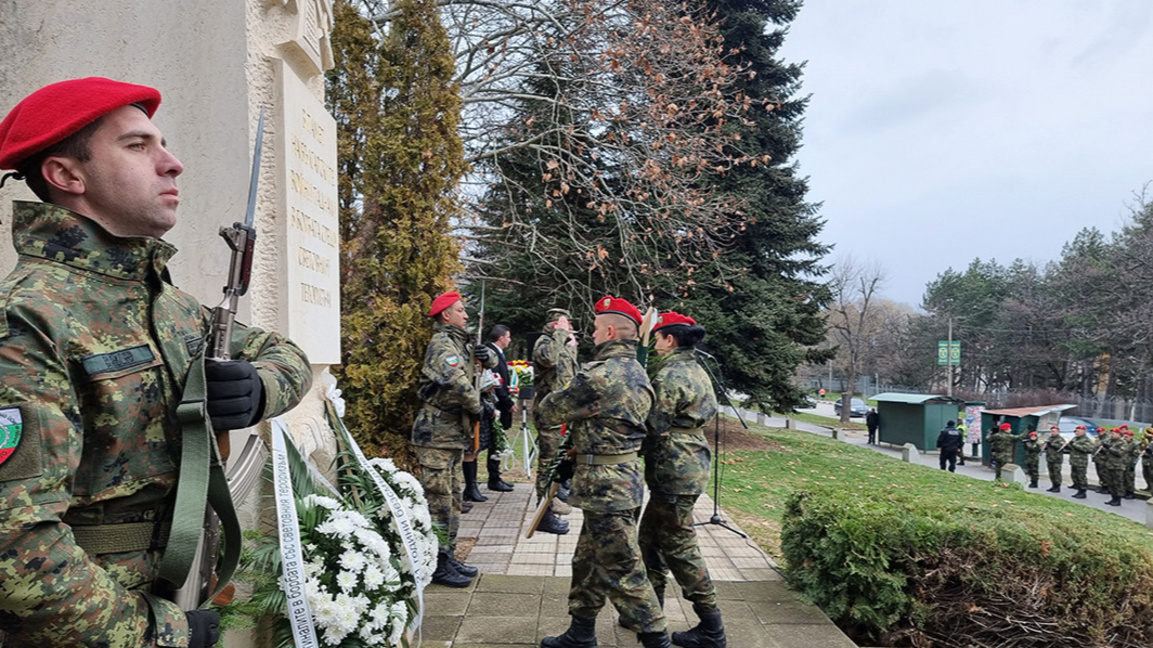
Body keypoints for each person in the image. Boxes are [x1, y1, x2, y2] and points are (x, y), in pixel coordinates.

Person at [0, 78, 313, 648]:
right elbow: (13, 543)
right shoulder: (25, 320)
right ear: (67, 175)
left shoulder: (167, 306)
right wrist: (158, 635)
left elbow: (283, 352)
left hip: (176, 590)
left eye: (162, 143)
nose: (173, 164)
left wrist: (260, 387)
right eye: (138, 146)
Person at [536, 296, 671, 648]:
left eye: (596, 328)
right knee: (588, 561)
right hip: (621, 482)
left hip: (606, 488)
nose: (592, 334)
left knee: (624, 569)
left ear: (610, 331)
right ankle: (580, 633)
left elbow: (548, 412)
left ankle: (658, 639)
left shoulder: (601, 376)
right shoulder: (638, 371)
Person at [636, 312, 726, 648]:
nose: (655, 345)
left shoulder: (670, 374)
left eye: (657, 339)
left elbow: (654, 425)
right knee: (648, 540)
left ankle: (712, 627)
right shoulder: (696, 368)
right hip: (689, 463)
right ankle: (649, 614)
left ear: (669, 339)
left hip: (674, 469)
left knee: (680, 546)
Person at [411, 291, 497, 587]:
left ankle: (447, 556)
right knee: (438, 501)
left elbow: (487, 363)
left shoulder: (461, 342)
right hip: (436, 433)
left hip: (451, 435)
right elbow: (457, 382)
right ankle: (436, 563)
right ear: (445, 314)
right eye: (460, 310)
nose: (466, 315)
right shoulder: (442, 344)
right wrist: (479, 406)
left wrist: (490, 357)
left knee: (454, 499)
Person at [530, 307, 580, 535]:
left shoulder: (561, 344)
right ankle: (543, 514)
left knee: (557, 462)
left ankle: (554, 501)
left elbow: (569, 375)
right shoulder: (544, 342)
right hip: (549, 414)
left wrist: (571, 348)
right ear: (554, 325)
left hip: (563, 414)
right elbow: (549, 359)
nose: (569, 327)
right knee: (547, 466)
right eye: (565, 323)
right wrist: (561, 335)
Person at [484, 323, 516, 492]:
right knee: (495, 441)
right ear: (501, 338)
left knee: (497, 441)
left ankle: (496, 476)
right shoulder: (491, 354)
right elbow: (496, 382)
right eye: (508, 337)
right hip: (496, 405)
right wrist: (508, 402)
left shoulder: (498, 353)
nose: (510, 340)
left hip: (500, 403)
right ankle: (493, 478)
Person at [1065, 424, 1095, 498]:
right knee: (1075, 475)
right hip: (1074, 460)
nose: (1076, 433)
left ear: (1083, 431)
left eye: (1078, 431)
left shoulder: (1086, 440)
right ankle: (1077, 487)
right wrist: (1068, 445)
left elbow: (1087, 449)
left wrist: (1075, 445)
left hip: (1081, 461)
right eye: (1076, 431)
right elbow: (1071, 448)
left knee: (1081, 477)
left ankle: (1082, 491)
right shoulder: (1075, 438)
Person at [1104, 428, 1127, 506]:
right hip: (1110, 465)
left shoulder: (1122, 443)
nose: (1112, 435)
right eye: (1111, 434)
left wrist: (1110, 448)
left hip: (1118, 466)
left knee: (1118, 483)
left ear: (1118, 434)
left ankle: (1118, 499)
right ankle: (1113, 498)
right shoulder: (1110, 441)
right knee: (1111, 483)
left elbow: (1120, 453)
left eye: (1113, 434)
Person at [1043, 425, 1066, 493]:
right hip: (1050, 458)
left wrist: (1052, 444)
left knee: (1056, 473)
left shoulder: (1060, 439)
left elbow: (1060, 447)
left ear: (1058, 432)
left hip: (1056, 459)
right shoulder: (1050, 438)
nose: (1052, 432)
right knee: (1051, 473)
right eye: (1051, 431)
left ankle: (1057, 486)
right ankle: (1053, 485)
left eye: (1054, 431)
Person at [1093, 427, 1112, 494]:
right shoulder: (1098, 438)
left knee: (1104, 474)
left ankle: (1106, 487)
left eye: (1101, 432)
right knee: (1099, 473)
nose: (1100, 433)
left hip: (1104, 459)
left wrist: (1104, 449)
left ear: (1104, 431)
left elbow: (1109, 449)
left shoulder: (1108, 438)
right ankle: (1102, 486)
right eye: (1098, 432)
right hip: (1097, 458)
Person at [1141, 429, 1153, 493]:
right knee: (1145, 474)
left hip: (1151, 460)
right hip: (1145, 460)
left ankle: (1151, 488)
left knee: (1150, 474)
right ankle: (1148, 487)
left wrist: (1150, 452)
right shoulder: (1149, 441)